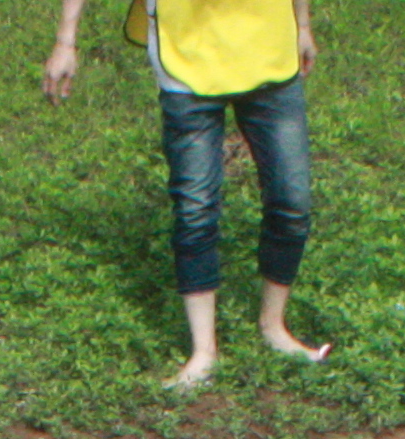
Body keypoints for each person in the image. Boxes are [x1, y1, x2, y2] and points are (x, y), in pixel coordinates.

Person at [43, 0, 328, 387]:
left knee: (291, 202)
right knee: (195, 209)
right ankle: (204, 351)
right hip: (186, 61)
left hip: (270, 52)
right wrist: (65, 41)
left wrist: (303, 25)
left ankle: (273, 326)